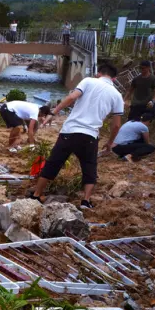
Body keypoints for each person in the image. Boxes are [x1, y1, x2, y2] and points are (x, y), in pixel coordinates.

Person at [32, 63, 124, 210]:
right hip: (90, 136)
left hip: (69, 131)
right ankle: (85, 201)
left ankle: (37, 194)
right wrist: (110, 142)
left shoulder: (88, 81)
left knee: (53, 163)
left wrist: (53, 113)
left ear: (98, 73)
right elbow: (116, 125)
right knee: (90, 168)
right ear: (114, 78)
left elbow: (71, 98)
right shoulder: (117, 95)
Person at [124, 60, 155, 133]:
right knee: (130, 123)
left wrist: (153, 101)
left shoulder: (153, 79)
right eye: (140, 68)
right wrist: (123, 100)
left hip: (148, 103)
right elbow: (130, 91)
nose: (141, 70)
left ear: (148, 68)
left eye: (143, 68)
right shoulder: (136, 79)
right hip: (136, 104)